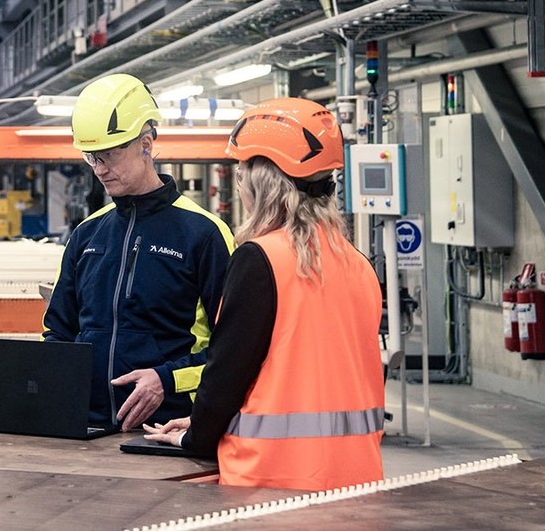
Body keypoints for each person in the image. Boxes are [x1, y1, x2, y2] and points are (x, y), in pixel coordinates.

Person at [143, 98, 384, 490]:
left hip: (273, 482)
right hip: (357, 480)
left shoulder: (261, 259)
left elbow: (227, 374)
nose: (240, 186)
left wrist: (196, 435)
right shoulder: (358, 264)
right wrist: (203, 421)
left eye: (241, 175)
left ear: (262, 183)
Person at [43, 73, 234, 432]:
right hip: (88, 431)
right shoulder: (86, 235)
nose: (100, 169)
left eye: (109, 155)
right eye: (91, 157)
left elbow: (232, 348)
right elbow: (57, 332)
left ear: (145, 144)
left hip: (168, 431)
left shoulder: (204, 234)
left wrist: (168, 380)